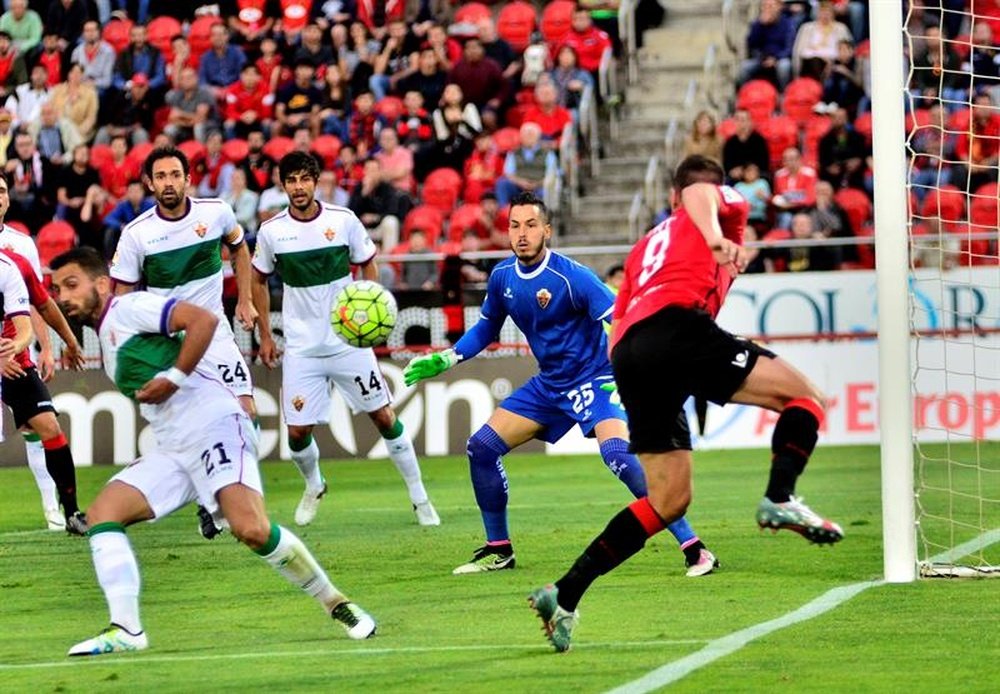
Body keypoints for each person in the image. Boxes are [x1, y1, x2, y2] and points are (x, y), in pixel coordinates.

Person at [528, 156, 842, 652]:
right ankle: (780, 496)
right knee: (807, 397)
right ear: (684, 197)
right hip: (677, 330)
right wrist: (717, 233)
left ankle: (563, 594)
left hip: (632, 355)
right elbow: (700, 193)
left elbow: (625, 312)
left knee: (668, 501)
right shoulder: (712, 205)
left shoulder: (644, 247)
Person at [49, 247, 376, 657]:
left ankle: (336, 602)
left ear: (101, 284)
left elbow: (201, 320)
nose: (62, 296)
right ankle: (126, 630)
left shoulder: (130, 307)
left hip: (215, 424)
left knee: (251, 530)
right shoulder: (107, 332)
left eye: (72, 285)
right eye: (56, 288)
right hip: (174, 446)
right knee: (103, 514)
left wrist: (173, 376)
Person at [403, 191, 718, 576]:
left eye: (531, 225)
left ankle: (694, 547)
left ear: (547, 230)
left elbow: (619, 320)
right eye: (515, 226)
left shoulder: (573, 277)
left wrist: (629, 368)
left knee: (618, 455)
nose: (522, 233)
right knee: (481, 448)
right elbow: (487, 327)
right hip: (549, 386)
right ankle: (498, 549)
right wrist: (448, 357)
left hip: (596, 379)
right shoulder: (502, 277)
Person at [251, 151, 439, 527]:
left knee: (384, 417)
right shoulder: (273, 232)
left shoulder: (343, 221)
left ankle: (421, 499)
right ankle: (314, 483)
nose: (299, 187)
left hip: (347, 342)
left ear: (316, 181)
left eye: (305, 179)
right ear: (283, 185)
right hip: (302, 346)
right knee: (298, 432)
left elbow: (367, 261)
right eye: (292, 180)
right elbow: (257, 279)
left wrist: (367, 308)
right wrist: (265, 335)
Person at [110, 147, 259, 537]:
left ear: (188, 178)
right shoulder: (137, 235)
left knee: (245, 411)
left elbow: (240, 248)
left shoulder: (215, 212)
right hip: (170, 342)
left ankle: (223, 498)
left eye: (175, 174)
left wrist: (243, 299)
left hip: (216, 334)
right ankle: (210, 503)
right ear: (149, 183)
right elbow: (123, 301)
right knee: (190, 428)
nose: (168, 183)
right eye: (160, 177)